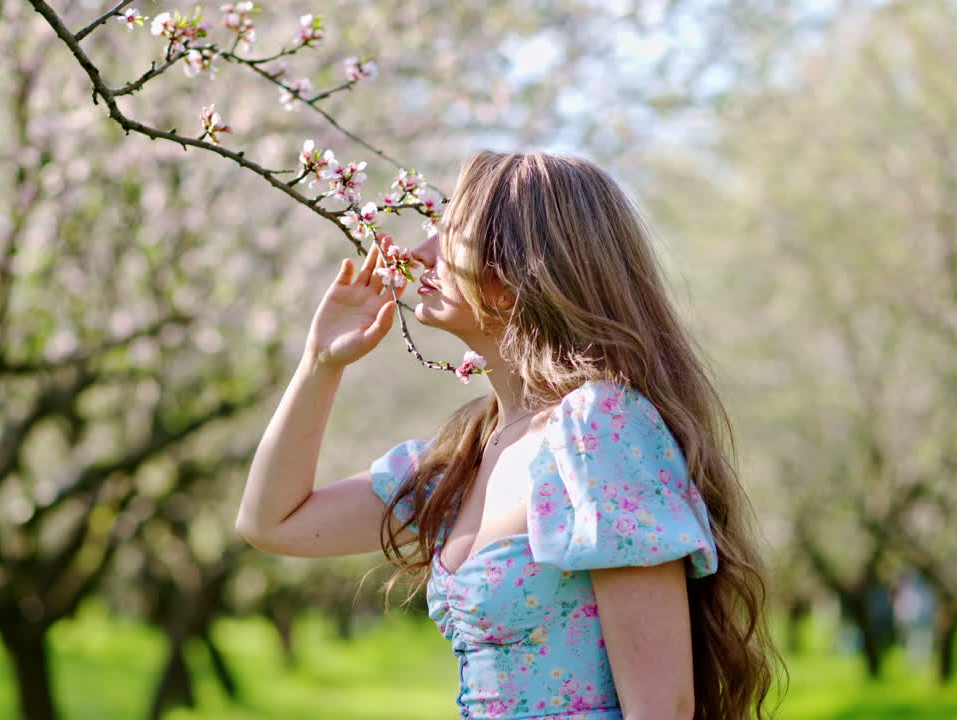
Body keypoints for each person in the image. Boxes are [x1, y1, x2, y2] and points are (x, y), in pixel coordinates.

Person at [236, 151, 779, 719]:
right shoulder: (465, 456)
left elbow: (662, 707)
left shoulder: (599, 428)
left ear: (514, 273)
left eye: (448, 237)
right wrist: (320, 363)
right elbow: (271, 522)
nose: (418, 256)